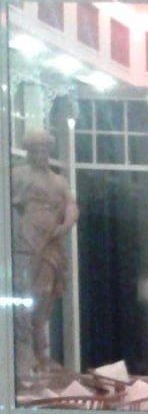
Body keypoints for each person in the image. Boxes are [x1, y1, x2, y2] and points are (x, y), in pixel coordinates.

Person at [11, 127, 78, 373]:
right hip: (26, 242)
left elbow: (71, 206)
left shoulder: (58, 181)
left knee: (45, 296)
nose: (40, 154)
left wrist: (65, 225)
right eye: (35, 150)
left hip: (51, 243)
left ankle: (41, 352)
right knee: (24, 295)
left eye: (44, 149)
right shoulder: (17, 175)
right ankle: (24, 352)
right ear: (28, 152)